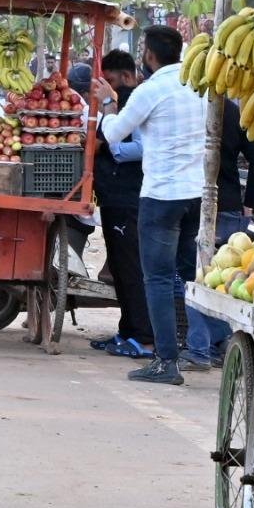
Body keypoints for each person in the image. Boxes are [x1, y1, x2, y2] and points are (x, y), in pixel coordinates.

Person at [92, 25, 205, 386]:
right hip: (195, 194)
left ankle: (165, 360)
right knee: (187, 276)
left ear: (150, 56)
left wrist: (109, 103)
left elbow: (112, 133)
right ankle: (195, 347)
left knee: (156, 278)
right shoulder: (198, 86)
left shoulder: (150, 90)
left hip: (161, 197)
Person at [183, 96, 254, 367]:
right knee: (222, 282)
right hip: (230, 205)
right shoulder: (233, 110)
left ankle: (199, 349)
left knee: (197, 278)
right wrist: (248, 204)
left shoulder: (193, 106)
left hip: (199, 203)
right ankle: (220, 343)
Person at [83, 53, 153, 360]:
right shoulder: (118, 103)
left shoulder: (134, 101)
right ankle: (127, 331)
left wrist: (107, 146)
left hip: (130, 197)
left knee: (132, 269)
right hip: (113, 198)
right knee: (120, 271)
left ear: (126, 77)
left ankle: (143, 336)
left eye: (110, 82)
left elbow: (139, 148)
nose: (105, 89)